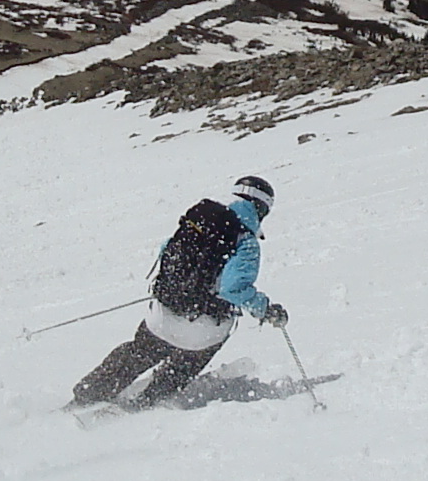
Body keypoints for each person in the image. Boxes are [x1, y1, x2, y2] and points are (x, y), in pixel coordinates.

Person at [69, 175, 290, 409]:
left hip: (164, 314)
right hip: (203, 330)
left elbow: (167, 251)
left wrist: (180, 289)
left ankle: (87, 394)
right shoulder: (245, 240)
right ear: (262, 208)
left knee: (138, 352)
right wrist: (266, 310)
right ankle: (147, 401)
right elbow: (232, 289)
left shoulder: (200, 220)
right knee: (189, 359)